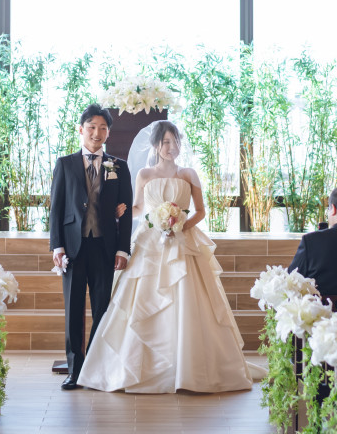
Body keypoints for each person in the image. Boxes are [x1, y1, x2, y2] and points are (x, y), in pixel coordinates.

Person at [77, 120, 261, 394]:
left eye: (174, 142)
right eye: (165, 142)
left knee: (188, 299)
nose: (170, 147)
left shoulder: (189, 174)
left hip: (183, 242)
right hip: (150, 243)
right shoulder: (144, 174)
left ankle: (188, 369)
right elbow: (138, 208)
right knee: (142, 301)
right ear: (155, 146)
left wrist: (178, 225)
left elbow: (200, 211)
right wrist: (122, 212)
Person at [49, 104, 133, 390]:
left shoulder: (118, 166)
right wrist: (56, 246)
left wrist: (123, 250)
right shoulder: (65, 164)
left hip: (104, 247)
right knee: (73, 311)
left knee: (102, 309)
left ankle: (96, 368)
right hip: (73, 248)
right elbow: (56, 210)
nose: (97, 133)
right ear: (81, 129)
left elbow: (127, 211)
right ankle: (75, 370)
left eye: (103, 128)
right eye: (92, 127)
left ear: (108, 132)